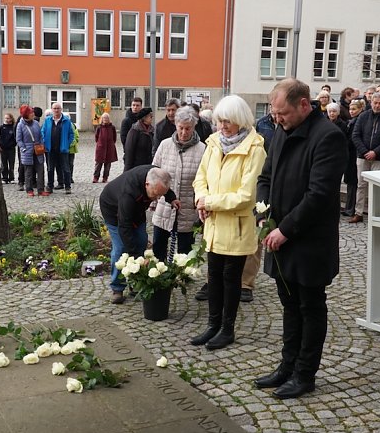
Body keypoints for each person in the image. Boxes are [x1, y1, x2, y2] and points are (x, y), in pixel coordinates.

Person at [254, 78, 346, 399]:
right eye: (274, 114)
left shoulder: (329, 137)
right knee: (288, 306)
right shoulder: (281, 131)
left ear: (304, 105)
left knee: (310, 306)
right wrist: (263, 212)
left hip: (308, 242)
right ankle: (286, 366)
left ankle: (305, 374)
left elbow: (319, 195)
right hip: (280, 235)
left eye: (283, 113)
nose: (277, 119)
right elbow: (265, 177)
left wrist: (285, 229)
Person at [190, 95, 266, 350]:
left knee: (231, 279)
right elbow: (200, 177)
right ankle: (212, 325)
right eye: (220, 121)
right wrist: (201, 199)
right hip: (213, 224)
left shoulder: (255, 148)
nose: (222, 126)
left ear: (240, 120)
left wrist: (209, 203)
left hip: (236, 225)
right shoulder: (213, 143)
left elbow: (247, 196)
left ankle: (227, 328)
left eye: (227, 122)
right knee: (213, 276)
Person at [100, 166, 179, 304]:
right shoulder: (128, 194)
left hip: (136, 211)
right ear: (147, 184)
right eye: (155, 195)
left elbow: (163, 188)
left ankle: (136, 282)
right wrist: (137, 257)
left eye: (160, 195)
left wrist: (171, 197)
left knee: (142, 242)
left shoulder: (156, 176)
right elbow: (124, 227)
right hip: (113, 210)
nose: (157, 198)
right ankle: (117, 288)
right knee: (121, 249)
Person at [151, 106, 205, 262]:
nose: (183, 132)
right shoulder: (165, 145)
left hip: (188, 207)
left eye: (188, 128)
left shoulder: (202, 149)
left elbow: (206, 180)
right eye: (181, 128)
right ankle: (159, 276)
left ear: (194, 127)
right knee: (159, 246)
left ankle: (183, 277)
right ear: (176, 125)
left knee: (185, 250)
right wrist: (153, 200)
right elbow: (153, 172)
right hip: (164, 205)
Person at [349, 92, 380, 223]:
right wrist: (365, 151)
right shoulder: (363, 116)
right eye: (375, 103)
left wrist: (375, 152)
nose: (377, 105)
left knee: (376, 186)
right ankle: (358, 212)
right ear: (371, 102)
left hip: (379, 157)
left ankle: (374, 212)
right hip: (362, 156)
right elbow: (356, 135)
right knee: (361, 185)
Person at [41, 102, 75, 194]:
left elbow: (72, 134)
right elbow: (42, 132)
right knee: (50, 168)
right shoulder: (47, 120)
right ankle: (50, 186)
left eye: (58, 108)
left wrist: (67, 144)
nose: (56, 110)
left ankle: (67, 186)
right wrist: (44, 141)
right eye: (54, 108)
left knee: (66, 168)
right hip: (50, 149)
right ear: (52, 110)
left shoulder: (66, 121)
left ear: (61, 109)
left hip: (62, 149)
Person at [15, 104, 46, 197]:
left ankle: (41, 190)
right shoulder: (20, 125)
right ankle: (29, 189)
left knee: (40, 171)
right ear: (26, 115)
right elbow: (19, 139)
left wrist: (41, 145)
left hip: (38, 150)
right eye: (31, 113)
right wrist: (23, 149)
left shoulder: (36, 123)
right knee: (28, 172)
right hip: (27, 152)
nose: (33, 114)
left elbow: (40, 136)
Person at [93, 112, 118, 183]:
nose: (105, 119)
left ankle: (105, 177)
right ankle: (96, 177)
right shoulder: (99, 127)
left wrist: (111, 144)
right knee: (98, 164)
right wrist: (100, 144)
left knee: (107, 165)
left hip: (109, 148)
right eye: (104, 118)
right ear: (102, 119)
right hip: (101, 148)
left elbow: (114, 137)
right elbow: (96, 137)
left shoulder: (112, 127)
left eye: (107, 118)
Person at [0, 113, 16, 183]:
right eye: (5, 118)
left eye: (8, 118)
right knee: (4, 163)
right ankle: (4, 178)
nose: (6, 120)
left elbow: (15, 138)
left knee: (11, 163)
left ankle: (11, 178)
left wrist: (13, 144)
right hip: (3, 148)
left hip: (11, 148)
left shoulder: (13, 127)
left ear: (11, 119)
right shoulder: (1, 127)